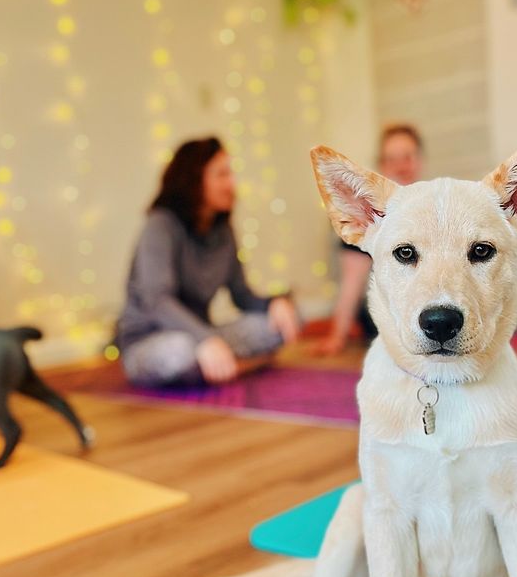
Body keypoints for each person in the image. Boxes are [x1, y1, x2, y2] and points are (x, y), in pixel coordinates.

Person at [116, 136, 299, 386]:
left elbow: (241, 295)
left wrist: (274, 304)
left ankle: (217, 368)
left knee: (285, 319)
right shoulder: (160, 225)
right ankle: (237, 365)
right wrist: (205, 339)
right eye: (222, 174)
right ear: (194, 178)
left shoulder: (223, 230)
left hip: (203, 335)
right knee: (180, 351)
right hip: (152, 341)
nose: (232, 183)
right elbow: (156, 300)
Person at [316, 123, 425, 356]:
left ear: (419, 161)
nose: (401, 166)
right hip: (384, 313)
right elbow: (351, 282)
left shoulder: (436, 207)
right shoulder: (367, 216)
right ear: (382, 166)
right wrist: (337, 337)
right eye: (392, 159)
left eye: (407, 157)